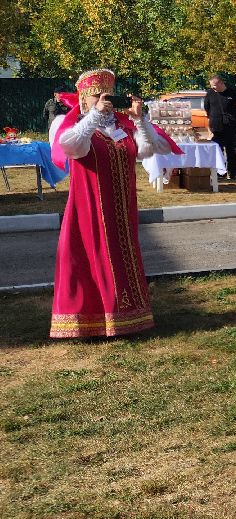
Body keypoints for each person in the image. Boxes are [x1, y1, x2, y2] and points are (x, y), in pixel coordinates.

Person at [49, 69, 170, 338]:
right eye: (95, 97)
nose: (102, 101)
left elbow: (149, 149)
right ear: (83, 99)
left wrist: (140, 120)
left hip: (122, 208)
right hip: (90, 207)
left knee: (122, 255)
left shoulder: (121, 127)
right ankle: (91, 321)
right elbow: (71, 148)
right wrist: (93, 116)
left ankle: (128, 315)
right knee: (92, 258)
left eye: (106, 96)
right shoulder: (73, 126)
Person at [203, 74, 236, 183]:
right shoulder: (210, 93)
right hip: (216, 128)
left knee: (231, 151)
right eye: (211, 86)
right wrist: (211, 124)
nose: (212, 88)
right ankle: (221, 173)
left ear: (221, 83)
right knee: (218, 151)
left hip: (231, 127)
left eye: (214, 85)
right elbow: (207, 109)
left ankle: (233, 173)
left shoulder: (232, 92)